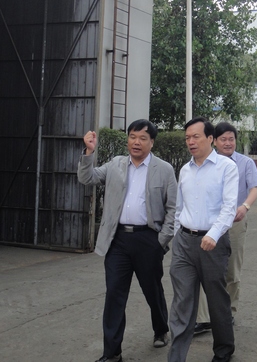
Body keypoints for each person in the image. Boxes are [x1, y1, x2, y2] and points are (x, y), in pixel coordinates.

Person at [77, 120, 177, 362]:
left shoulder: (164, 169)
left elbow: (173, 208)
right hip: (118, 240)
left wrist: (161, 241)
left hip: (148, 239)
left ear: (152, 142)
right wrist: (89, 152)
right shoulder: (116, 164)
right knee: (114, 294)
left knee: (152, 290)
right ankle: (112, 353)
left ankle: (161, 328)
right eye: (132, 136)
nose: (136, 142)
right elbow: (87, 178)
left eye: (142, 138)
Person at [167, 117, 239, 362]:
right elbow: (179, 207)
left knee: (217, 300)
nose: (191, 141)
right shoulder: (185, 170)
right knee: (182, 301)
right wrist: (177, 234)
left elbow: (229, 208)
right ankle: (176, 357)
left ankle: (223, 351)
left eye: (195, 136)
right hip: (184, 243)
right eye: (187, 137)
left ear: (210, 138)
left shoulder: (226, 167)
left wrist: (213, 234)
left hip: (213, 244)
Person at [194, 122, 257, 334]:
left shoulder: (245, 163)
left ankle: (228, 312)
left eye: (231, 139)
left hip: (234, 223)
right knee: (205, 270)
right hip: (208, 224)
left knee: (232, 269)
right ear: (214, 141)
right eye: (223, 139)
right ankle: (204, 318)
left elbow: (254, 188)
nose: (228, 143)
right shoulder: (205, 163)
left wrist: (245, 206)